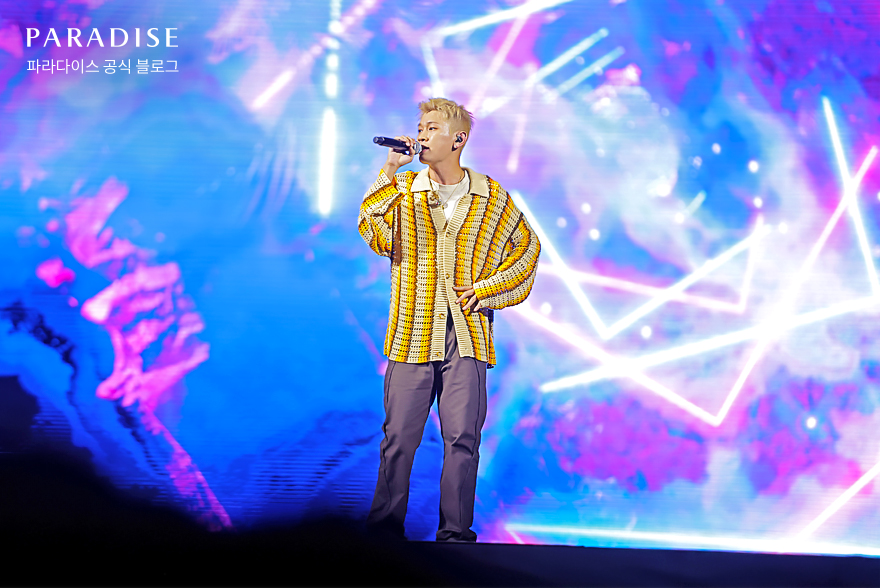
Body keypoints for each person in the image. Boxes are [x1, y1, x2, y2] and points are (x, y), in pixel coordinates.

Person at [358, 98, 541, 542]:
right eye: (420, 126)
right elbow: (372, 229)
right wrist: (391, 170)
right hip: (412, 333)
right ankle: (383, 536)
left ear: (458, 139)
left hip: (466, 335)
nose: (421, 135)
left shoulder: (490, 196)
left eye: (432, 127)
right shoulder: (404, 190)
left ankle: (456, 536)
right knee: (399, 439)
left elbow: (528, 249)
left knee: (462, 439)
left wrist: (488, 289)